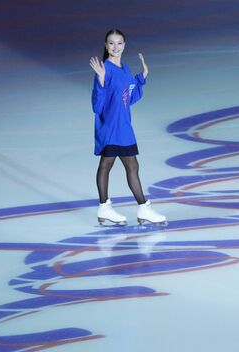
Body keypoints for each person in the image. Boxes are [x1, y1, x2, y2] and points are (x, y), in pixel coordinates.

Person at [89, 29, 166, 225]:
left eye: (119, 43)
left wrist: (142, 78)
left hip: (124, 126)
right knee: (109, 165)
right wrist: (100, 81)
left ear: (124, 45)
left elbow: (128, 98)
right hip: (111, 127)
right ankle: (112, 207)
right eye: (111, 43)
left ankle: (135, 208)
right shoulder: (105, 69)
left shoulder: (124, 69)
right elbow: (97, 106)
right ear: (106, 46)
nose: (115, 47)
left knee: (129, 165)